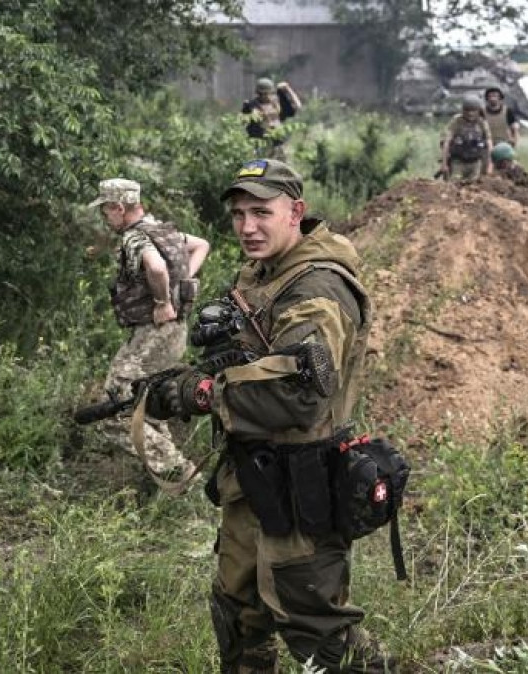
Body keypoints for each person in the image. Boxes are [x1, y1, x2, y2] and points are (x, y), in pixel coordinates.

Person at [143, 159, 394, 673]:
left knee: (318, 631)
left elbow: (295, 395)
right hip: (251, 476)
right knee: (238, 614)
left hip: (300, 484)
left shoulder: (318, 288)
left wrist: (198, 394)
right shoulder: (263, 273)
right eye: (238, 214)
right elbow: (247, 361)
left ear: (295, 212)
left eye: (262, 212)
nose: (247, 227)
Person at [88, 178, 210, 478]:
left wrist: (161, 300)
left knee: (115, 410)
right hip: (175, 333)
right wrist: (181, 281)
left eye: (105, 211)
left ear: (119, 207)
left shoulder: (135, 238)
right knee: (150, 406)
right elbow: (201, 245)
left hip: (152, 335)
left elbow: (155, 267)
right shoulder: (161, 230)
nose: (105, 217)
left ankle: (179, 473)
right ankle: (164, 484)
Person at [242, 78, 303, 160]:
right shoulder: (251, 105)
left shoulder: (278, 104)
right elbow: (244, 123)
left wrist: (287, 89)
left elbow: (298, 106)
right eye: (261, 94)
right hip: (261, 147)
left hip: (278, 146)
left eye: (267, 93)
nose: (264, 96)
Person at [440, 96, 492, 181]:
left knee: (474, 185)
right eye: (467, 110)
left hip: (475, 161)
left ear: (478, 111)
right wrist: (444, 163)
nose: (470, 113)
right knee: (455, 182)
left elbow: (489, 143)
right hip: (458, 161)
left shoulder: (482, 123)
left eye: (473, 110)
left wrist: (490, 165)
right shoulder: (457, 121)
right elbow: (447, 142)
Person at [483, 86, 520, 151]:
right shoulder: (482, 112)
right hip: (488, 146)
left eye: (495, 96)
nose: (492, 98)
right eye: (490, 96)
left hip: (505, 145)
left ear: (500, 98)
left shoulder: (508, 111)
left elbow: (515, 129)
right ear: (487, 98)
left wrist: (514, 144)